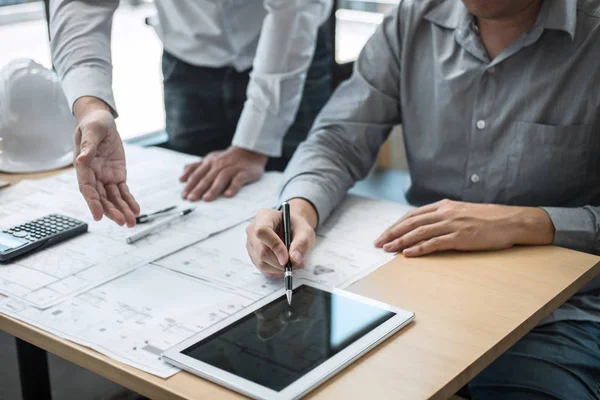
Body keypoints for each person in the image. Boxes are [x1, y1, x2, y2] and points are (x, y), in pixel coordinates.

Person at [245, 0, 600, 398]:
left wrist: (528, 223)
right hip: (416, 292)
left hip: (561, 315)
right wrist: (299, 208)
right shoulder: (413, 18)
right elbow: (340, 137)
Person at [49, 0, 333, 227]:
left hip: (294, 50)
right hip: (188, 58)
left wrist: (253, 145)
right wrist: (92, 109)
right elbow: (82, 4)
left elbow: (293, 9)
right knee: (197, 209)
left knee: (301, 208)